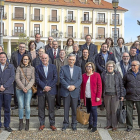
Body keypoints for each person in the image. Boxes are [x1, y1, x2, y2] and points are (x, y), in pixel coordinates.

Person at [35, 54, 58, 131]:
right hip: (41, 90)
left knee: (51, 108)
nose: (44, 59)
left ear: (48, 59)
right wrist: (44, 87)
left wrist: (49, 87)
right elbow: (37, 79)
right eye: (43, 58)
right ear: (41, 59)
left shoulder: (53, 67)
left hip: (51, 90)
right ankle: (42, 124)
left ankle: (52, 124)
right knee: (41, 108)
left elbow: (55, 78)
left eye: (46, 58)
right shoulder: (38, 68)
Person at [60, 54, 82, 131]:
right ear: (68, 60)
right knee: (66, 109)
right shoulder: (63, 68)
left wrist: (74, 86)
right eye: (70, 59)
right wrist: (68, 86)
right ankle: (65, 124)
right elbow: (61, 79)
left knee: (74, 109)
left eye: (73, 59)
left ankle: (74, 124)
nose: (71, 61)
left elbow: (80, 80)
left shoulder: (78, 69)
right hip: (66, 91)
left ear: (75, 60)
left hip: (75, 92)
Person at [101, 61, 124, 131]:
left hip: (115, 95)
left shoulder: (117, 74)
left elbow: (121, 85)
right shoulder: (103, 74)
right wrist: (101, 96)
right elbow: (101, 85)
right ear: (106, 67)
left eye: (111, 66)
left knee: (114, 110)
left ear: (114, 67)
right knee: (108, 111)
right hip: (106, 95)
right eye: (108, 66)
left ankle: (114, 125)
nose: (110, 68)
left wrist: (122, 95)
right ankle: (108, 124)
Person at [80, 62, 102, 132]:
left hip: (94, 97)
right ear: (85, 68)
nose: (88, 68)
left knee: (94, 111)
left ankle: (95, 126)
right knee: (88, 111)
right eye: (87, 67)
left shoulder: (97, 75)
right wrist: (82, 98)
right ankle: (90, 124)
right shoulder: (83, 76)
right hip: (86, 96)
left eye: (90, 67)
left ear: (92, 68)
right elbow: (82, 87)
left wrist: (98, 96)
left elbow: (99, 86)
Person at [15, 54, 35, 131]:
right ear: (22, 60)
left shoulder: (32, 68)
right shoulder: (19, 68)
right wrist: (23, 88)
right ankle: (20, 122)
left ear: (29, 60)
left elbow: (33, 79)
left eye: (26, 59)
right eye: (24, 59)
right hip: (19, 89)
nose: (25, 60)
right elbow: (17, 79)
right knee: (20, 106)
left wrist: (26, 88)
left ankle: (27, 122)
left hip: (28, 90)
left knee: (27, 106)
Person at [10, 42, 32, 110]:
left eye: (23, 47)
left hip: (26, 75)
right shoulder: (14, 54)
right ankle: (17, 104)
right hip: (17, 74)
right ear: (18, 47)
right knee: (17, 89)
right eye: (20, 47)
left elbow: (31, 63)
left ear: (25, 48)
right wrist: (16, 69)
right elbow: (11, 63)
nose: (22, 48)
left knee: (26, 89)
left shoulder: (28, 54)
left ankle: (25, 105)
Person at [123, 60, 140, 132]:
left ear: (138, 66)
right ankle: (129, 126)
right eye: (132, 65)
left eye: (134, 65)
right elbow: (123, 84)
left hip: (139, 96)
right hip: (129, 96)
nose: (132, 67)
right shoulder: (127, 74)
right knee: (129, 112)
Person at [0, 52, 15, 132]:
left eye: (3, 57)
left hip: (7, 91)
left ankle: (6, 125)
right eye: (1, 57)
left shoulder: (11, 66)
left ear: (6, 58)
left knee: (7, 109)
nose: (2, 58)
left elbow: (12, 77)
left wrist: (4, 86)